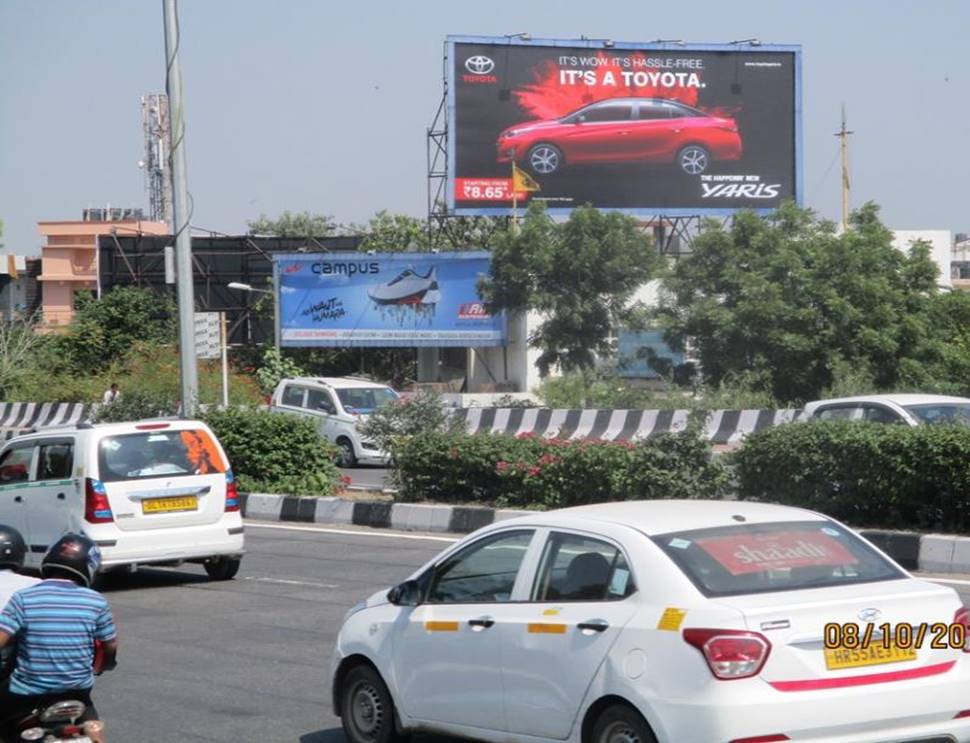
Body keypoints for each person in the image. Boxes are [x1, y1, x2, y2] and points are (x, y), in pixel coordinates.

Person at [0, 534, 117, 743]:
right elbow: (109, 645)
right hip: (76, 689)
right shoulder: (96, 601)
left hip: (28, 692)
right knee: (88, 711)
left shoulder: (24, 598)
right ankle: (97, 739)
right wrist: (107, 665)